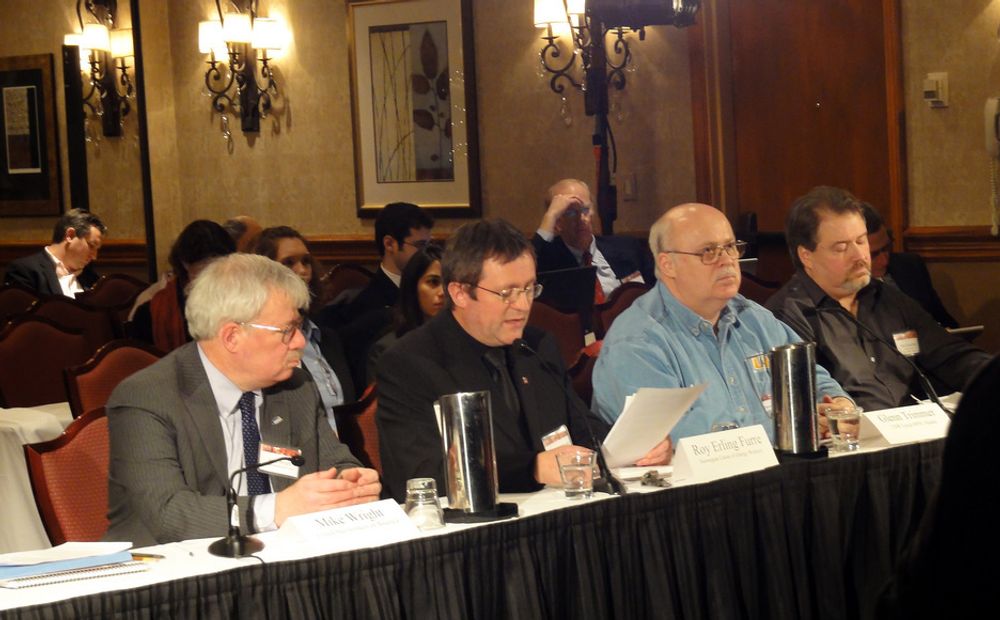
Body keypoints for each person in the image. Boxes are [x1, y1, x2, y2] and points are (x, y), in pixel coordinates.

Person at [376, 219, 669, 502]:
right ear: (460, 293)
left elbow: (581, 426)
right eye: (506, 293)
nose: (522, 305)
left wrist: (634, 447)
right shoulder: (410, 364)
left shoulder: (538, 345)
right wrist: (532, 469)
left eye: (529, 288)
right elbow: (419, 475)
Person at [105, 254, 380, 546]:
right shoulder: (147, 397)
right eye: (288, 331)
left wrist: (351, 483)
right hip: (169, 572)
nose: (301, 342)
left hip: (278, 560)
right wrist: (277, 509)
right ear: (232, 337)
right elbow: (170, 514)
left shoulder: (294, 386)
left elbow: (334, 461)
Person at [592, 203, 852, 443]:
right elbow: (679, 438)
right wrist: (793, 425)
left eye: (730, 247)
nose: (727, 260)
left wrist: (838, 406)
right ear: (668, 264)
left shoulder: (754, 318)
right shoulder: (638, 342)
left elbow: (811, 377)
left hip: (772, 475)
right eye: (708, 252)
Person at [766, 186, 990, 411]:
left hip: (913, 428)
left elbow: (949, 355)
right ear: (807, 256)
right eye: (842, 247)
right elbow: (812, 399)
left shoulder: (886, 297)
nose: (859, 256)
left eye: (861, 241)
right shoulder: (786, 317)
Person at [325, 202, 434, 390]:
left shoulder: (438, 294)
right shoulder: (366, 306)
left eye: (429, 245)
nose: (427, 254)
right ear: (389, 244)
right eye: (420, 245)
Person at [255, 226, 355, 428]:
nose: (301, 271)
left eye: (306, 262)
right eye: (289, 263)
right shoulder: (264, 342)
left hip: (345, 454)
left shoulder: (327, 339)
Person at [532, 178, 653, 302]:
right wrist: (550, 216)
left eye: (585, 210)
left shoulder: (627, 247)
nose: (581, 219)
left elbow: (657, 290)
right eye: (570, 213)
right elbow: (528, 265)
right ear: (557, 222)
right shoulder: (547, 260)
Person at [131, 220, 235, 352]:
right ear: (185, 264)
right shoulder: (150, 314)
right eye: (205, 270)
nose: (213, 279)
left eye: (220, 270)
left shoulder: (242, 304)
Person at [861, 202, 958, 327]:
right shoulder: (841, 286)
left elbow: (942, 319)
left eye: (887, 248)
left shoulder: (910, 266)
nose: (884, 260)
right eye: (873, 255)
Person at [366, 244, 444, 384]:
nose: (442, 292)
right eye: (433, 282)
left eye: (449, 283)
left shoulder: (466, 343)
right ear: (412, 287)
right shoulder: (388, 350)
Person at [4, 208, 106, 298]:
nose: (94, 256)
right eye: (91, 246)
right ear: (70, 235)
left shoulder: (90, 276)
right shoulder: (25, 271)